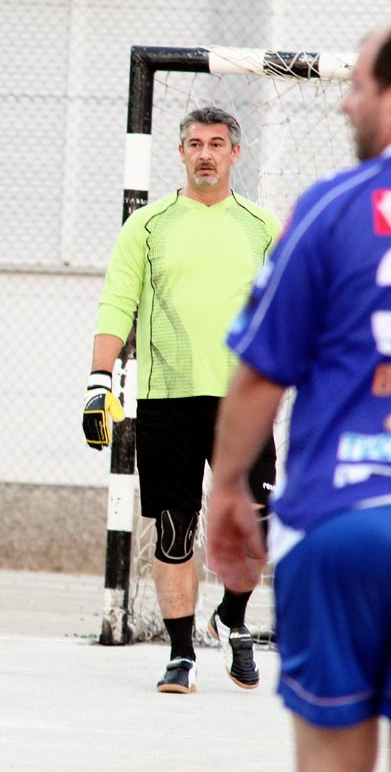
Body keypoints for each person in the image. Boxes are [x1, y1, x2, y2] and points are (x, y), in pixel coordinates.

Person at [208, 20, 391, 771]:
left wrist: (229, 485)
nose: (342, 106)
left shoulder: (329, 207)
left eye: (354, 88)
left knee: (329, 757)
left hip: (341, 515)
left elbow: (262, 371)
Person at [84, 106, 281, 694]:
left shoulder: (262, 226)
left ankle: (233, 618)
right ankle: (180, 654)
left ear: (234, 155)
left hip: (242, 398)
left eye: (216, 143)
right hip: (167, 397)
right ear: (181, 152)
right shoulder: (147, 226)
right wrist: (99, 380)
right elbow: (117, 304)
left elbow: (291, 309)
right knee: (175, 527)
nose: (205, 153)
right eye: (194, 142)